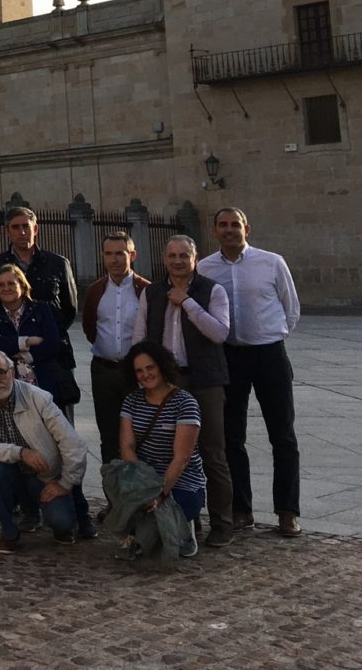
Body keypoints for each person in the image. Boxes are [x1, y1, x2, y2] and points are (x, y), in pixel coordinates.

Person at [198, 206, 303, 538]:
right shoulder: (205, 267)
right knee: (231, 437)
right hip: (228, 357)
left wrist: (271, 335)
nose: (229, 230)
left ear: (247, 228)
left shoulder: (271, 262)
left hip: (269, 353)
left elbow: (291, 308)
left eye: (235, 225)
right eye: (223, 225)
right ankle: (242, 509)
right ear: (214, 230)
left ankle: (287, 511)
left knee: (282, 433)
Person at [132, 235, 233, 548]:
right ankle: (188, 520)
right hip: (167, 384)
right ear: (164, 258)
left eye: (184, 256)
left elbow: (219, 332)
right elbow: (141, 336)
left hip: (205, 380)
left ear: (194, 258)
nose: (177, 261)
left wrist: (187, 302)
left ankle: (222, 522)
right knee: (172, 454)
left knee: (213, 452)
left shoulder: (211, 290)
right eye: (172, 255)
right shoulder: (152, 292)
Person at [0, 262, 96, 539]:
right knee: (19, 448)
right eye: (1, 285)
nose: (7, 289)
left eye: (12, 283)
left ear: (22, 285)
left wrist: (19, 348)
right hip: (10, 394)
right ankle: (30, 509)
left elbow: (52, 344)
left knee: (60, 445)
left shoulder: (41, 309)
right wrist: (27, 342)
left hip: (45, 390)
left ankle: (80, 513)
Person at [0, 350, 88, 554]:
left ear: (12, 372)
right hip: (13, 472)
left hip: (45, 476)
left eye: (1, 372)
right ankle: (9, 532)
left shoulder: (39, 398)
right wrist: (21, 452)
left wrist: (64, 483)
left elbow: (73, 443)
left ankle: (56, 515)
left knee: (61, 523)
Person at [0, 207, 80, 417]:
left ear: (35, 229)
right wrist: (24, 343)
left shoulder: (58, 263)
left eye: (26, 227)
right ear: (7, 231)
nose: (22, 232)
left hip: (54, 358)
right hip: (10, 363)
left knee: (60, 426)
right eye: (15, 227)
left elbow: (70, 309)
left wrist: (48, 338)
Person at [120, 340, 206, 559]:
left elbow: (182, 458)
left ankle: (184, 533)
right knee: (136, 515)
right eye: (139, 371)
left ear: (162, 366)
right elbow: (127, 446)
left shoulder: (185, 403)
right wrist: (140, 485)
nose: (145, 374)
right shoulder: (132, 401)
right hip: (145, 476)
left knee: (161, 522)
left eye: (150, 367)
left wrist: (159, 494)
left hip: (181, 480)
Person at [81, 230, 150, 465]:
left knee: (140, 434)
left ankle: (142, 496)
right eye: (108, 254)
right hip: (104, 372)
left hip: (137, 373)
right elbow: (90, 328)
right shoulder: (95, 291)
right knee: (109, 436)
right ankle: (114, 496)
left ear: (132, 255)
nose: (114, 259)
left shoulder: (145, 291)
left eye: (120, 253)